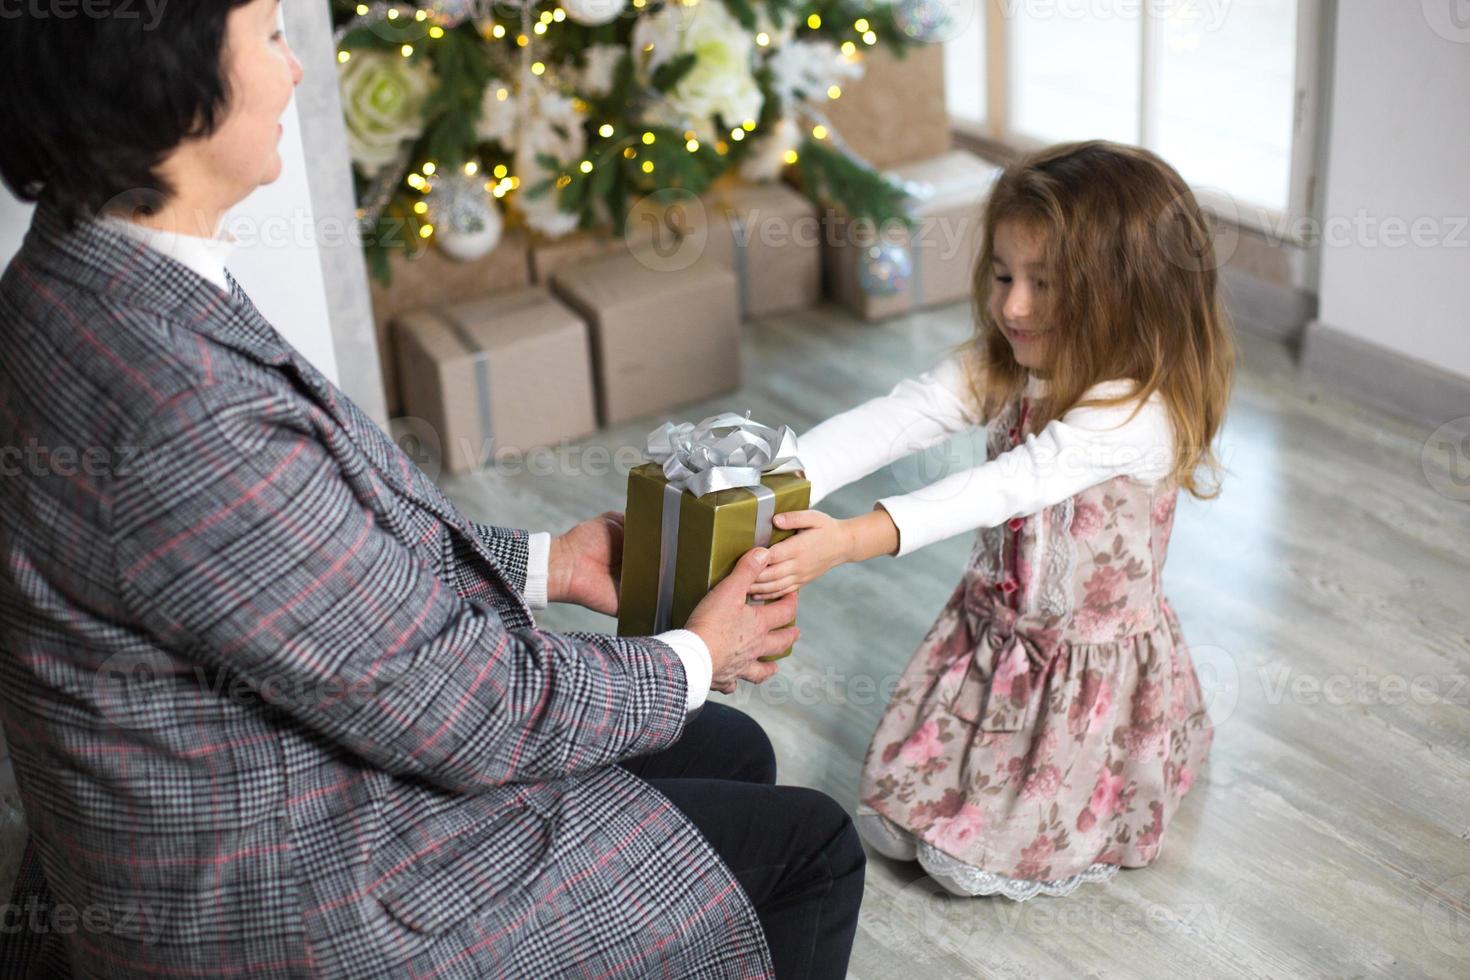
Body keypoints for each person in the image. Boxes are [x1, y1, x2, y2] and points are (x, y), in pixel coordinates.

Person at [0, 1, 863, 975]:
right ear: (170, 87)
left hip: (235, 781)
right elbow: (475, 711)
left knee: (726, 746)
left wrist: (553, 563)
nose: (297, 71)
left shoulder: (75, 267)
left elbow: (319, 558)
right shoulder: (178, 403)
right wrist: (700, 651)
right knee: (812, 851)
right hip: (287, 892)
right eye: (271, 38)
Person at [749, 141, 1233, 900]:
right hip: (996, 627)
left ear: (1131, 292)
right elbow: (906, 414)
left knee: (959, 869)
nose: (1013, 306)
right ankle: (967, 795)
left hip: (1082, 660)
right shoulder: (1009, 357)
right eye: (1005, 276)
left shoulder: (1138, 409)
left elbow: (1010, 484)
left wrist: (847, 540)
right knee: (885, 828)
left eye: (1046, 284)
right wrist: (779, 482)